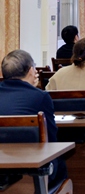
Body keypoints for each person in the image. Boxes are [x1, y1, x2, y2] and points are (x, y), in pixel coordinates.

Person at [0, 50, 67, 190]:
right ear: (31, 70)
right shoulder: (40, 97)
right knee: (61, 160)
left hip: (2, 168)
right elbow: (51, 137)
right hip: (33, 169)